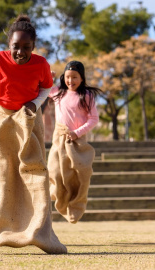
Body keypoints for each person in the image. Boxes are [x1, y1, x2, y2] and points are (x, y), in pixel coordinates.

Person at [0, 15, 67, 254]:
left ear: (33, 47)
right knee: (4, 172)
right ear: (9, 45)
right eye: (15, 47)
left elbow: (46, 88)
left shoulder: (40, 64)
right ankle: (3, 228)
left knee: (35, 169)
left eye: (26, 48)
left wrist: (34, 104)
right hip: (4, 117)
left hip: (29, 117)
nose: (20, 52)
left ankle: (40, 231)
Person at [47, 61, 100, 224]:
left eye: (75, 77)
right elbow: (43, 89)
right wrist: (49, 77)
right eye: (68, 77)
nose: (71, 81)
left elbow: (94, 119)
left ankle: (76, 206)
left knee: (80, 174)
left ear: (82, 78)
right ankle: (58, 196)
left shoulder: (87, 96)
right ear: (64, 77)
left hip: (77, 141)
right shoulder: (57, 92)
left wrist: (77, 133)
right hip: (59, 138)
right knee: (55, 171)